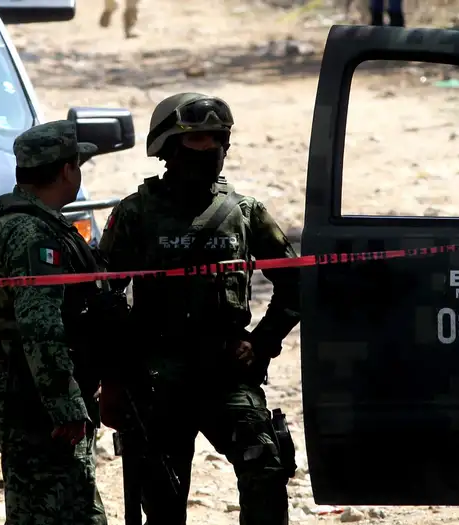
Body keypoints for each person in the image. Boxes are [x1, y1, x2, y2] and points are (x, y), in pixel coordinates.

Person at [97, 92, 302, 525]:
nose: (208, 150)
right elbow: (103, 301)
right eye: (196, 141)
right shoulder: (136, 214)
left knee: (265, 465)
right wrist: (114, 382)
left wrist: (261, 343)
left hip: (225, 373)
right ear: (168, 149)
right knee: (163, 497)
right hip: (157, 379)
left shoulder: (245, 213)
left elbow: (296, 284)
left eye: (216, 140)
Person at [0, 119, 108, 525]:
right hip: (38, 399)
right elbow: (40, 324)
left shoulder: (10, 224)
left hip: (19, 390)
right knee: (69, 512)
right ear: (67, 170)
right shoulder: (35, 234)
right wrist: (63, 402)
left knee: (36, 510)